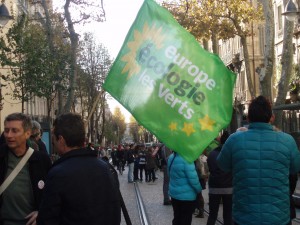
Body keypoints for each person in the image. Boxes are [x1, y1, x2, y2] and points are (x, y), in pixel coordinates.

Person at [217, 96, 300, 225]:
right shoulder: (288, 141)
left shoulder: (234, 140)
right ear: (271, 117)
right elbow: (295, 168)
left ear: (248, 118)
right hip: (278, 217)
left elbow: (222, 165)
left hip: (244, 217)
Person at [37, 113, 121, 225]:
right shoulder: (106, 168)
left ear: (61, 139)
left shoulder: (58, 174)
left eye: (54, 138)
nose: (53, 142)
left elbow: (48, 219)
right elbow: (115, 212)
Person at [0, 113, 52, 225]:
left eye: (14, 131)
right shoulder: (1, 156)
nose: (9, 135)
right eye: (6, 130)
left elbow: (52, 195)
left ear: (27, 133)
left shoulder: (42, 160)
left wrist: (41, 212)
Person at [168, 152, 202, 225]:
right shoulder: (187, 159)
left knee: (177, 217)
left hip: (174, 194)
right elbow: (193, 179)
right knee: (186, 219)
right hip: (187, 197)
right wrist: (199, 189)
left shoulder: (171, 157)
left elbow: (169, 174)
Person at [206, 131, 232, 225]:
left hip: (214, 188)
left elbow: (210, 167)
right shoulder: (231, 154)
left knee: (212, 214)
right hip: (229, 188)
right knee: (228, 215)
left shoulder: (212, 154)